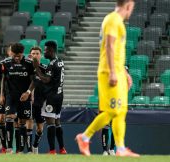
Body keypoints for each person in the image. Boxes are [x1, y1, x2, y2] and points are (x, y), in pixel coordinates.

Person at [75, 0, 139, 157]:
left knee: (121, 111)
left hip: (117, 71)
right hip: (108, 72)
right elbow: (109, 46)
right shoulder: (112, 19)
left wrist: (124, 73)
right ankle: (84, 137)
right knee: (111, 111)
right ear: (129, 5)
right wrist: (112, 72)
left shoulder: (117, 22)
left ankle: (121, 149)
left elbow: (116, 51)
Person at [0, 43, 35, 153]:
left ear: (22, 54)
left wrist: (28, 92)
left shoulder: (29, 63)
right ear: (11, 53)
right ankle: (9, 147)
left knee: (22, 122)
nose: (17, 58)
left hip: (24, 97)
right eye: (14, 55)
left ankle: (20, 149)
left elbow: (34, 80)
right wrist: (1, 94)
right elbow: (3, 79)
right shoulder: (5, 63)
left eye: (19, 56)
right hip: (11, 95)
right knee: (9, 118)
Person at [32, 41, 67, 154]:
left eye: (46, 50)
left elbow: (47, 79)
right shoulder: (60, 61)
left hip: (51, 97)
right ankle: (62, 149)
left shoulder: (52, 64)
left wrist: (37, 68)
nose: (45, 51)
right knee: (57, 122)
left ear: (51, 50)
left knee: (50, 122)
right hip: (59, 95)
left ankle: (52, 150)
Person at [0, 44, 13, 153]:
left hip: (14, 96)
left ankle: (11, 147)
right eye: (11, 51)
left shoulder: (21, 63)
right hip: (2, 94)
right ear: (8, 52)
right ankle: (4, 147)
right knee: (1, 119)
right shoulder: (1, 64)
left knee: (12, 120)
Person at [29, 47, 47, 154]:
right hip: (29, 101)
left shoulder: (45, 68)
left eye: (37, 53)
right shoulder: (27, 68)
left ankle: (35, 146)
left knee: (40, 129)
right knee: (28, 125)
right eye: (33, 53)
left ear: (41, 55)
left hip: (41, 102)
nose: (35, 55)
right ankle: (29, 149)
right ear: (30, 55)